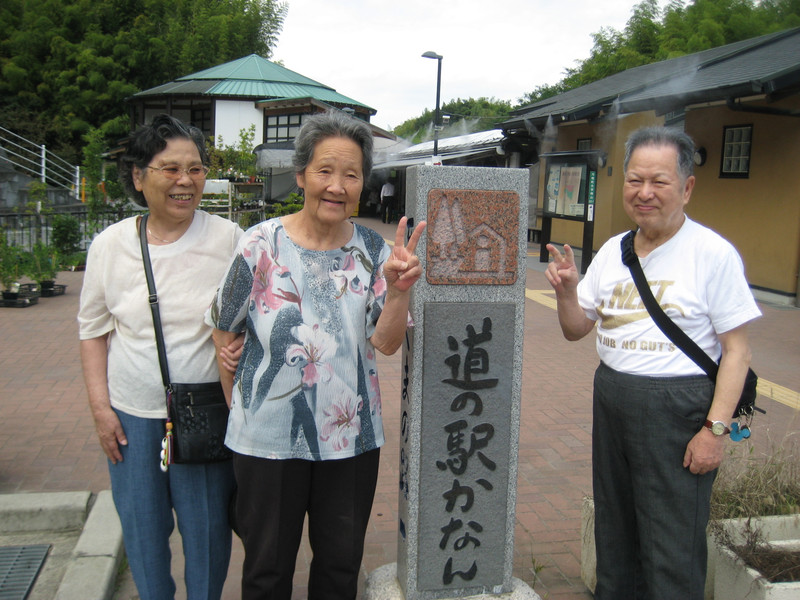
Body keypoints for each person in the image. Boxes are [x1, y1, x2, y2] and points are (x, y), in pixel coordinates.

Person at [208, 110, 426, 600]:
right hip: (266, 443)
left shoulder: (373, 250)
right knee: (266, 572)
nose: (337, 185)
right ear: (301, 173)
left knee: (338, 570)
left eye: (351, 174)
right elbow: (224, 327)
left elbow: (386, 343)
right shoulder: (260, 243)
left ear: (363, 183)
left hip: (351, 441)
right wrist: (238, 405)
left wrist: (397, 291)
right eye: (325, 170)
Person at [545, 126, 761, 599]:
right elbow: (576, 328)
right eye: (634, 180)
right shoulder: (612, 252)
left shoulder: (712, 254)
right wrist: (565, 293)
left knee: (672, 544)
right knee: (615, 528)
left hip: (680, 411)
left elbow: (738, 351)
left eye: (659, 182)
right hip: (614, 398)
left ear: (686, 188)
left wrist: (715, 431)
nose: (644, 193)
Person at [78, 114, 244, 600]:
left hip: (205, 414)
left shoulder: (230, 240)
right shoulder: (111, 246)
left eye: (195, 169)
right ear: (138, 175)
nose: (185, 181)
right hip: (132, 420)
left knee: (208, 536)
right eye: (170, 168)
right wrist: (100, 409)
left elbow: (253, 319)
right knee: (144, 536)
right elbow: (92, 332)